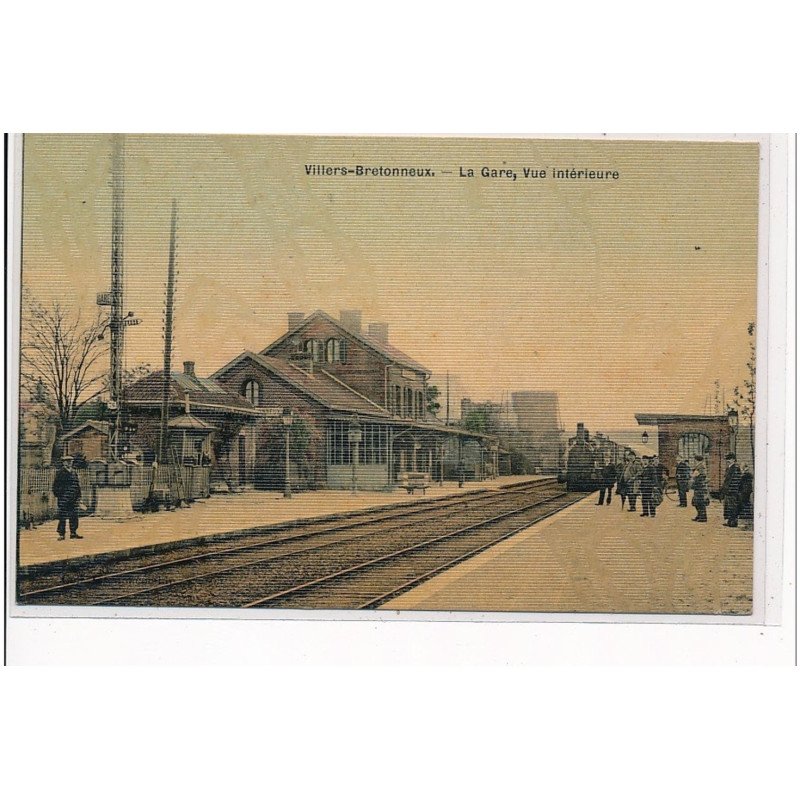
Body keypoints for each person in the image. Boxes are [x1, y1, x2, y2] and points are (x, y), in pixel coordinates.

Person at [52, 455, 84, 540]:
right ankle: (61, 534)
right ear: (63, 462)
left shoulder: (74, 472)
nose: (69, 462)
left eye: (71, 461)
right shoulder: (60, 472)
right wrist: (60, 495)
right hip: (63, 498)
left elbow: (77, 485)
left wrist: (79, 496)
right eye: (67, 461)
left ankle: (73, 533)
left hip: (73, 498)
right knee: (62, 516)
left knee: (74, 516)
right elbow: (55, 486)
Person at [721, 452, 742, 528]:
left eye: (729, 459)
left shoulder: (735, 468)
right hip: (728, 491)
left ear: (733, 459)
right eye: (727, 459)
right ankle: (730, 521)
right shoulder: (729, 468)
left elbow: (736, 481)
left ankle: (733, 522)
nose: (728, 460)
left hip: (732, 491)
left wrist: (731, 490)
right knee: (727, 507)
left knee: (732, 507)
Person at [690, 455, 709, 523]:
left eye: (694, 460)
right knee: (697, 502)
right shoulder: (699, 466)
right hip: (699, 486)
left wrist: (692, 474)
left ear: (697, 460)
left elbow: (694, 475)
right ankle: (699, 515)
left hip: (700, 487)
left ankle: (703, 517)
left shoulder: (700, 467)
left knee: (700, 502)